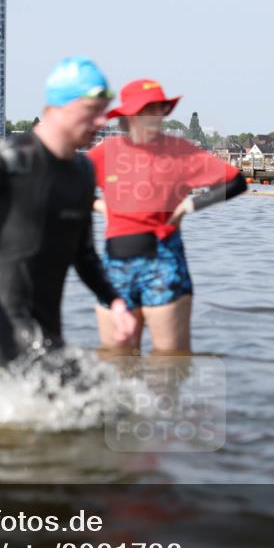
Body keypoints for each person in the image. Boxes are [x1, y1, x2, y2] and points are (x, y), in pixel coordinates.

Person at [0, 56, 137, 366]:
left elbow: (85, 255)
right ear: (59, 107)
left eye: (104, 112)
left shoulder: (83, 172)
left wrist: (115, 302)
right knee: (85, 389)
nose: (102, 122)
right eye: (93, 110)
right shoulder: (10, 157)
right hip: (7, 323)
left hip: (49, 328)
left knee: (97, 390)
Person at [87, 78, 247, 352]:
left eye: (157, 108)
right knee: (115, 361)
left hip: (164, 264)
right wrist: (99, 206)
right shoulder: (106, 152)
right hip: (116, 268)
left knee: (170, 360)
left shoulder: (179, 151)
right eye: (145, 109)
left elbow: (236, 182)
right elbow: (64, 185)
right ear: (129, 114)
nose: (153, 115)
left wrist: (189, 206)